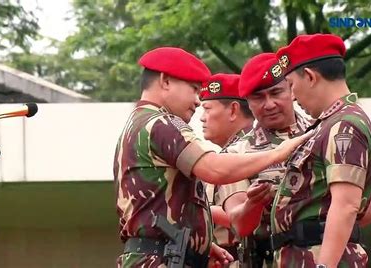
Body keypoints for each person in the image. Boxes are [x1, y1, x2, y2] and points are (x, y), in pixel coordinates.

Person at [113, 47, 313, 268]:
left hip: (162, 255)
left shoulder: (139, 123)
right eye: (194, 89)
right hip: (161, 259)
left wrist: (200, 244)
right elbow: (215, 169)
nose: (198, 101)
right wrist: (278, 153)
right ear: (165, 81)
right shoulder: (161, 123)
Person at [269, 34, 371, 268]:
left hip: (321, 258)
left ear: (309, 76)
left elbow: (347, 205)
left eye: (291, 86)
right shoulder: (330, 123)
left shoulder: (344, 125)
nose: (293, 96)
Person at [219, 53, 312, 267]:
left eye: (276, 92)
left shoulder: (324, 134)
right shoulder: (237, 154)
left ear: (291, 89)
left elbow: (366, 210)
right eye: (258, 97)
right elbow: (239, 225)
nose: (269, 104)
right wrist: (253, 204)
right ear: (248, 103)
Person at [199, 73, 255, 266]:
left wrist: (198, 210)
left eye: (207, 109)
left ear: (233, 110)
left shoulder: (237, 153)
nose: (201, 118)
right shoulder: (259, 146)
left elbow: (238, 217)